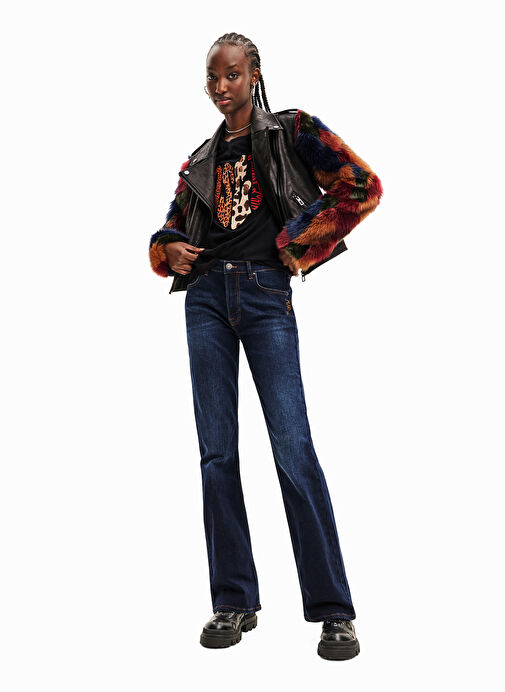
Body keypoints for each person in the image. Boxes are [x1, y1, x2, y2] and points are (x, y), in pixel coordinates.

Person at [149, 32, 383, 660]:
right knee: (216, 454)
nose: (220, 86)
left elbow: (362, 186)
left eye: (231, 74)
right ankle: (233, 601)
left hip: (263, 294)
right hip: (204, 300)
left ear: (254, 74)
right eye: (211, 76)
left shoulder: (293, 129)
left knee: (293, 447)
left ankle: (334, 611)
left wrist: (294, 243)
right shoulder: (200, 158)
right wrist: (166, 248)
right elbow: (172, 224)